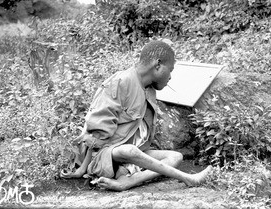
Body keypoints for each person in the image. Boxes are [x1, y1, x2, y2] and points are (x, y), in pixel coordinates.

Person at [61, 40, 212, 191]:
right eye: (170, 70)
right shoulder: (120, 82)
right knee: (129, 151)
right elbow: (95, 135)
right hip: (104, 155)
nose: (171, 77)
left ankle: (127, 182)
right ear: (157, 65)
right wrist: (82, 170)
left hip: (129, 154)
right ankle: (189, 178)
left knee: (175, 157)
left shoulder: (149, 90)